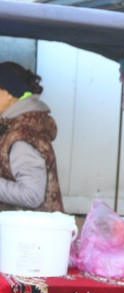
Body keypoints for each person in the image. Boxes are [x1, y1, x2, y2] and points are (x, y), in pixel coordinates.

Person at [0, 61, 64, 212]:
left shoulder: (22, 136)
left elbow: (32, 194)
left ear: (10, 93)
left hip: (31, 233)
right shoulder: (14, 128)